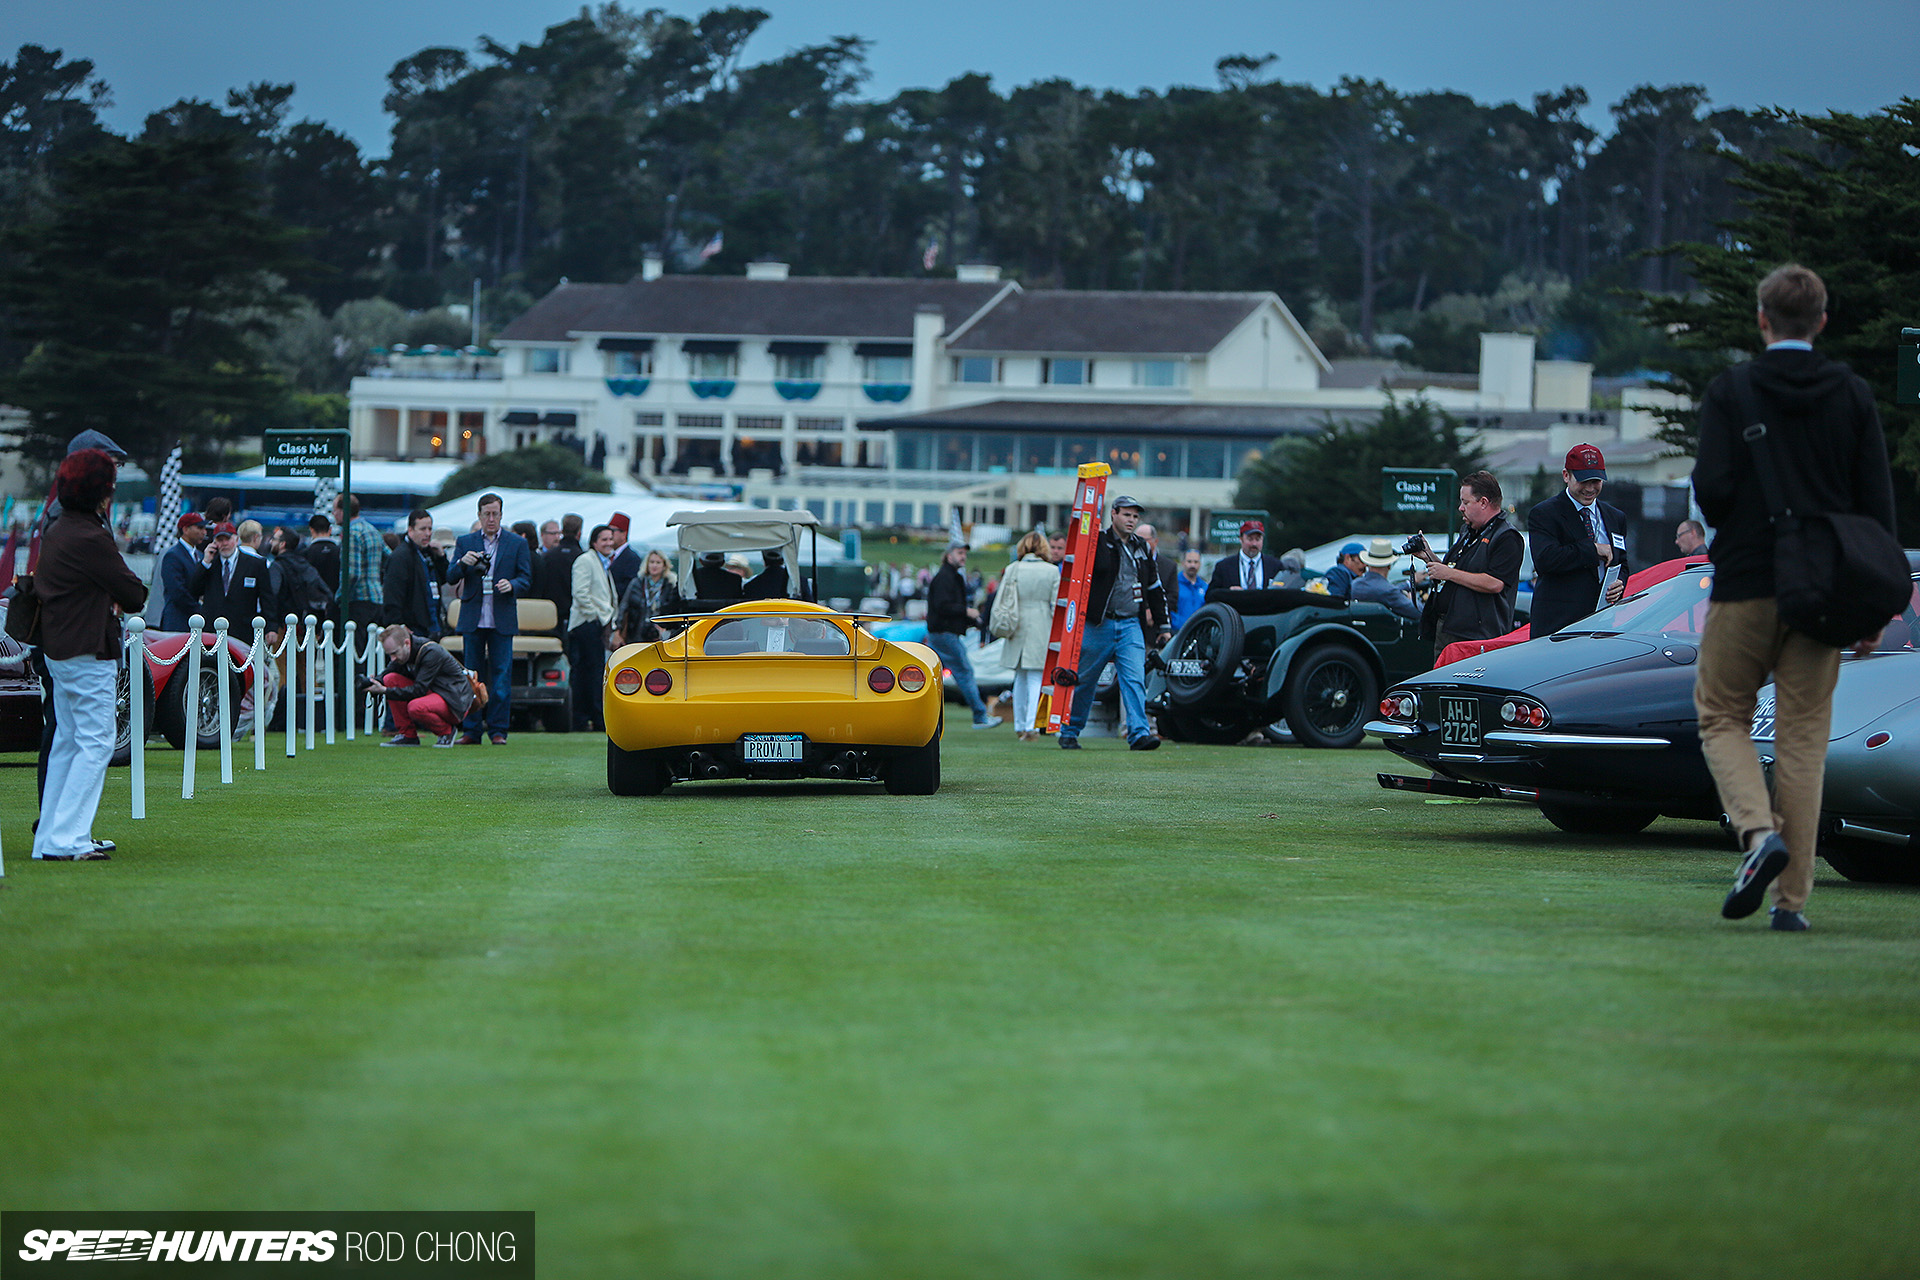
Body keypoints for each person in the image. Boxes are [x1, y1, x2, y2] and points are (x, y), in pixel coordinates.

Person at [1691, 263, 1898, 933]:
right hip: (1826, 592)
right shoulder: (1852, 393)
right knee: (1803, 742)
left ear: (1761, 320)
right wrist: (1874, 610)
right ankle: (1792, 904)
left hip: (1748, 581)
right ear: (1822, 323)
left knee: (1721, 714)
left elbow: (1715, 493)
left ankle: (1756, 834)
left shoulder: (1732, 390)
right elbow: (1876, 509)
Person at [32, 449, 148, 860]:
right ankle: (68, 839)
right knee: (97, 742)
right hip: (87, 651)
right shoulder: (91, 535)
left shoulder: (59, 529)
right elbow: (133, 593)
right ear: (101, 493)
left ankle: (49, 837)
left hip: (58, 649)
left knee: (67, 740)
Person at [1059, 495, 1167, 751]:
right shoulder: (1097, 542)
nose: (1131, 520)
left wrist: (1164, 627)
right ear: (1114, 514)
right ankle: (1070, 731)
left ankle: (1139, 734)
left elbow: (1155, 588)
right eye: (1127, 515)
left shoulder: (1143, 547)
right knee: (1086, 680)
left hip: (1131, 624)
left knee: (1135, 679)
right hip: (1099, 624)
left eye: (1135, 516)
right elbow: (1093, 570)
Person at [448, 492, 533, 744]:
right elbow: (450, 576)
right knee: (471, 677)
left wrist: (513, 585)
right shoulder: (466, 541)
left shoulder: (516, 543)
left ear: (502, 515)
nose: (491, 519)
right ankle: (471, 730)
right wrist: (463, 563)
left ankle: (498, 730)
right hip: (473, 616)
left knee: (501, 676)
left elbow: (527, 578)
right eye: (487, 514)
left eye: (495, 514)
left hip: (501, 617)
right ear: (479, 515)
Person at [1413, 471, 1525, 663]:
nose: (1460, 508)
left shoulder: (1507, 537)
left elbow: (1495, 583)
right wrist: (1428, 556)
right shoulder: (1469, 530)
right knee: (1442, 687)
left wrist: (1449, 573)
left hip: (1476, 637)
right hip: (1449, 628)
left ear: (1483, 502)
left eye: (1465, 502)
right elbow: (1454, 572)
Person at [1527, 444, 1631, 637]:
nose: (1590, 489)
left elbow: (1622, 562)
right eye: (1583, 481)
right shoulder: (1545, 513)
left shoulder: (1615, 517)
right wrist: (1593, 550)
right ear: (1566, 475)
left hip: (1603, 622)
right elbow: (1545, 560)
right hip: (1559, 625)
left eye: (1596, 481)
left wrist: (1620, 583)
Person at [925, 542, 1002, 729]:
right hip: (944, 634)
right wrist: (968, 613)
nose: (963, 557)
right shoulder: (945, 577)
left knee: (932, 676)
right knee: (965, 672)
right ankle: (980, 716)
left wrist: (971, 621)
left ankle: (926, 717)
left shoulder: (951, 576)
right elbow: (943, 606)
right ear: (948, 555)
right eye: (959, 553)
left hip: (941, 633)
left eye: (964, 554)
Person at [365, 624, 473, 747]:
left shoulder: (431, 652)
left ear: (407, 643)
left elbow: (419, 690)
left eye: (394, 653)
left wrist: (385, 690)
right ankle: (407, 735)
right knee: (390, 679)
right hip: (436, 694)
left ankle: (446, 732)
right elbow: (388, 672)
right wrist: (374, 682)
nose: (393, 659)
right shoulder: (405, 652)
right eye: (389, 655)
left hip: (454, 699)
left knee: (416, 707)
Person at [1000, 531, 1062, 740]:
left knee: (1020, 678)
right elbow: (1056, 606)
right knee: (1036, 678)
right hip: (1042, 624)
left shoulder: (1012, 569)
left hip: (1016, 623)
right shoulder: (1052, 571)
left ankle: (1019, 724)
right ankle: (1031, 726)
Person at [188, 520, 280, 647]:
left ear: (236, 540)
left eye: (227, 539)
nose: (224, 544)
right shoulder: (210, 564)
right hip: (213, 632)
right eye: (220, 540)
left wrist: (271, 627)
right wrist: (205, 562)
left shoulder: (255, 564)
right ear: (214, 543)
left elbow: (267, 598)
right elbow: (194, 590)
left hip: (243, 631)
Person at [569, 524, 619, 732]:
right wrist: (596, 617)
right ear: (594, 542)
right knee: (588, 673)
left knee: (593, 672)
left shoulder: (601, 562)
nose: (608, 543)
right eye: (604, 539)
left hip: (596, 623)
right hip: (586, 624)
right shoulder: (585, 560)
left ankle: (591, 718)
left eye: (610, 539)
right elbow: (580, 593)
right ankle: (588, 719)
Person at [381, 508, 447, 640]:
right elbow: (392, 594)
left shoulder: (429, 553)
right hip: (413, 627)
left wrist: (441, 557)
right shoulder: (400, 557)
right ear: (410, 530)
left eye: (430, 529)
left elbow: (446, 578)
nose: (428, 533)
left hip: (432, 624)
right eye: (423, 529)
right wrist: (398, 624)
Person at [332, 494, 387, 639]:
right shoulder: (372, 530)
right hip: (377, 597)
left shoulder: (351, 533)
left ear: (343, 511)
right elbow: (390, 557)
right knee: (371, 653)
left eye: (335, 510)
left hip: (359, 600)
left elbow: (351, 573)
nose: (333, 514)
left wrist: (339, 597)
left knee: (355, 651)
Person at [617, 549, 683, 644]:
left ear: (664, 565)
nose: (654, 565)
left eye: (658, 562)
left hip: (660, 635)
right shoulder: (637, 583)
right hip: (636, 632)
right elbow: (624, 606)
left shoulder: (670, 585)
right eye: (651, 562)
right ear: (647, 564)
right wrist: (618, 629)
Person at [155, 513, 207, 631]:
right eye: (199, 528)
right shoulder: (173, 556)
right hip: (177, 621)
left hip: (196, 622)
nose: (204, 532)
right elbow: (177, 591)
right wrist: (200, 610)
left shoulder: (200, 555)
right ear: (185, 529)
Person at [1349, 538, 1421, 623]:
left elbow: (1384, 589)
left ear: (1368, 563)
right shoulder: (1388, 591)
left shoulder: (1355, 584)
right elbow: (1420, 613)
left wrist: (1408, 584)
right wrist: (1412, 598)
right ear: (1389, 566)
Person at [1208, 520, 1281, 591]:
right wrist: (1228, 591)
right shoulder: (1224, 566)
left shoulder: (1274, 566)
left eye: (1258, 539)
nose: (1254, 544)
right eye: (1250, 539)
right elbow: (1211, 594)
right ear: (1241, 539)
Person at [1135, 522, 1179, 611]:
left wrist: (1152, 611)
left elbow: (1172, 597)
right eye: (1136, 539)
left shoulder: (1169, 566)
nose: (1139, 543)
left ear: (1155, 541)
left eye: (1144, 540)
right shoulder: (1129, 562)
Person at [607, 512, 643, 600]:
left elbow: (629, 589)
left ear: (624, 534)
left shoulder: (632, 558)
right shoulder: (607, 555)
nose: (609, 535)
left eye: (613, 531)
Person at [1170, 549, 1207, 630]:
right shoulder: (1174, 584)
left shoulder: (1204, 587)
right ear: (1183, 563)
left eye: (1196, 562)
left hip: (1199, 633)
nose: (1192, 565)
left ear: (1200, 564)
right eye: (1189, 562)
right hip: (1178, 633)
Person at [305, 514, 341, 594]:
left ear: (311, 530)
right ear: (330, 530)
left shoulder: (306, 553)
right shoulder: (340, 552)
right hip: (336, 600)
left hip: (314, 600)